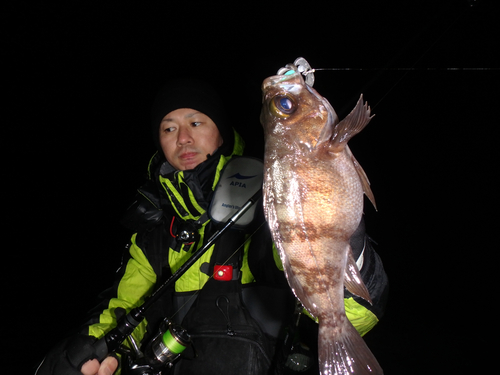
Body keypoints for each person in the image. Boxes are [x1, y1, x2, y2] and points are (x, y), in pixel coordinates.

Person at [36, 78, 388, 375]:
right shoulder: (154, 235)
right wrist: (85, 351)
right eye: (169, 128)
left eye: (196, 122)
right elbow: (123, 308)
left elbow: (356, 316)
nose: (183, 139)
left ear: (222, 132)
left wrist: (345, 248)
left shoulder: (264, 208)